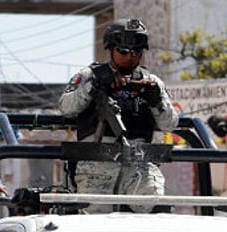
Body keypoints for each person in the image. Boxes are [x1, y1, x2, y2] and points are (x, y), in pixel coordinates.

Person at [58, 18, 178, 213]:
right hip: (97, 163)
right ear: (111, 48)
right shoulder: (90, 75)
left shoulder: (151, 81)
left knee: (154, 213)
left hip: (139, 163)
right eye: (123, 51)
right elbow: (66, 107)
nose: (130, 57)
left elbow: (170, 124)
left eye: (136, 52)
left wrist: (156, 101)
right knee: (93, 225)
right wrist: (93, 87)